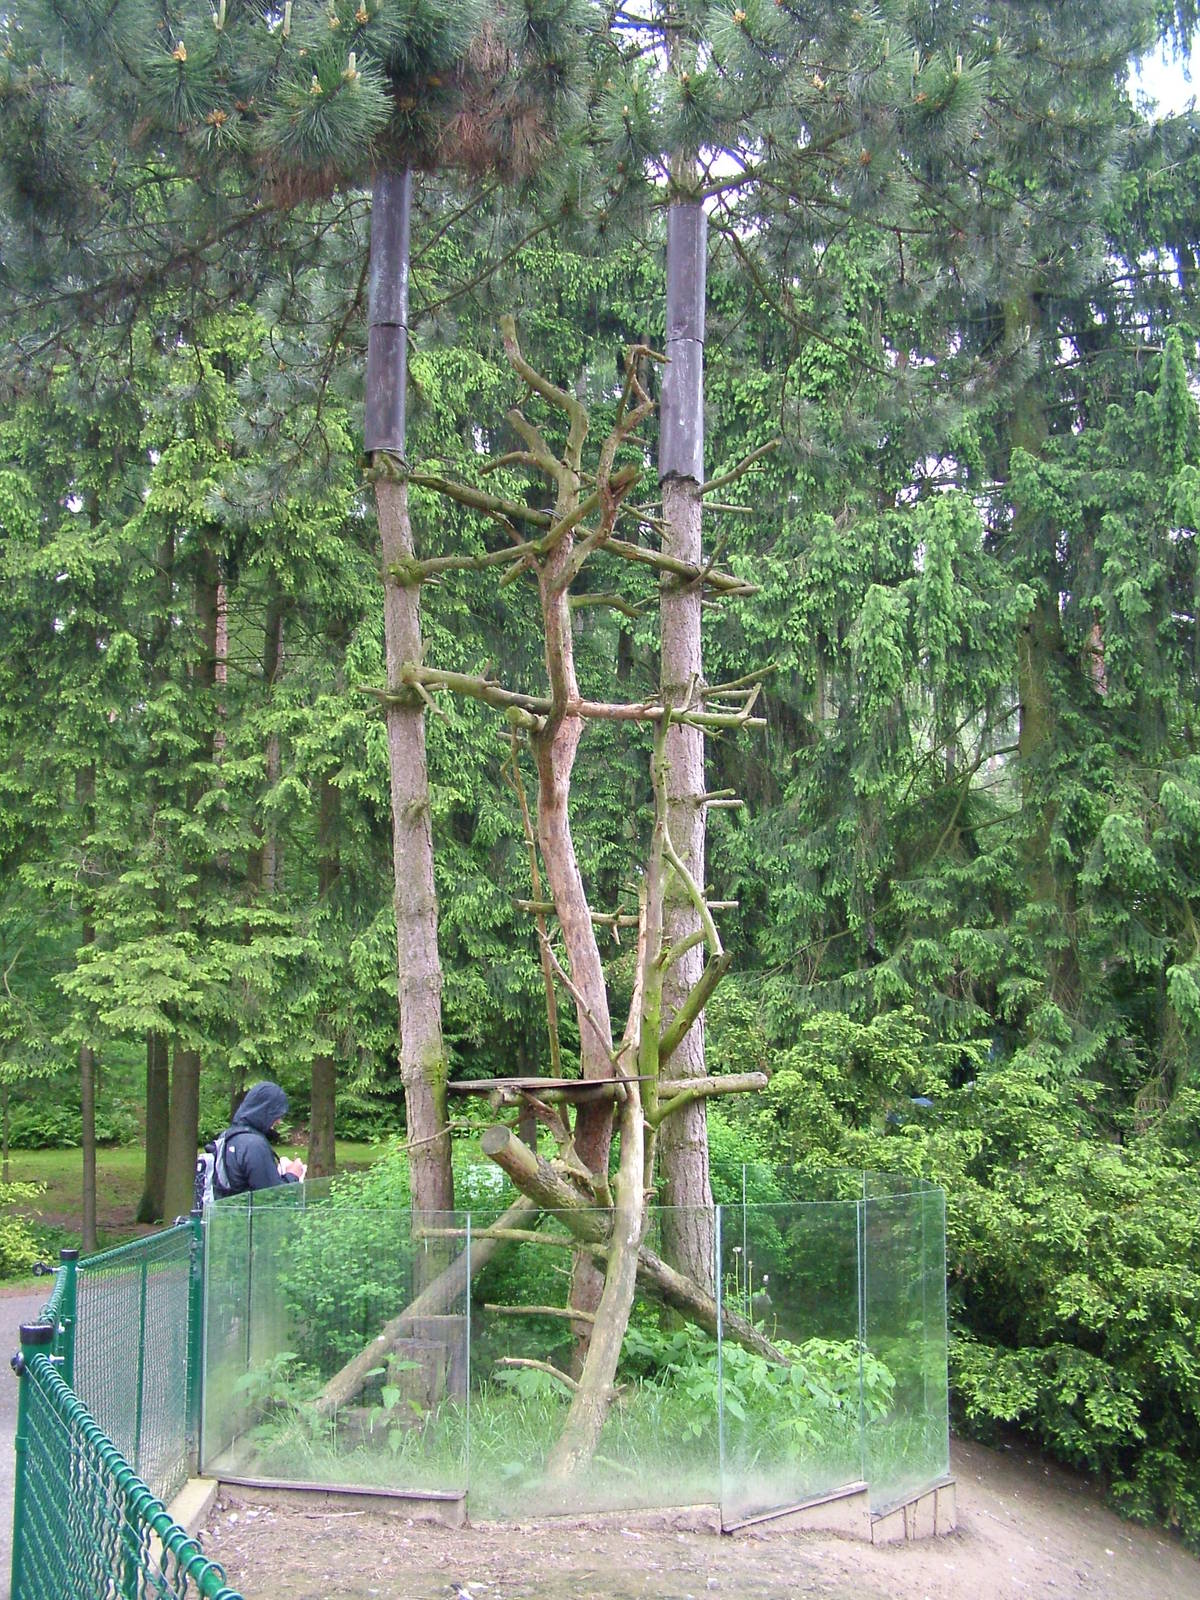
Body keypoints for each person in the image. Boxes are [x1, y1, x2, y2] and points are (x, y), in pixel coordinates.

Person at [217, 1080, 306, 1195]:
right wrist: (293, 1174)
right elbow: (273, 1196)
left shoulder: (228, 1137)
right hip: (246, 1212)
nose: (279, 1121)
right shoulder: (254, 1145)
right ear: (264, 1111)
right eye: (276, 1114)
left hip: (225, 1210)